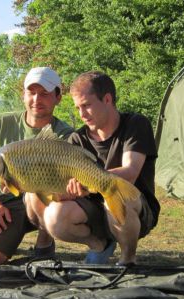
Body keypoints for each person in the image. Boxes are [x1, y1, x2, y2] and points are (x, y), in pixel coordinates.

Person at [25, 71, 159, 265]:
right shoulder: (77, 139)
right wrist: (63, 191)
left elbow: (130, 172)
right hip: (93, 207)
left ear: (107, 99)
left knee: (115, 193)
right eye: (78, 108)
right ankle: (98, 245)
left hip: (135, 207)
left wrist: (90, 182)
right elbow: (67, 187)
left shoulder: (135, 124)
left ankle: (128, 259)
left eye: (86, 105)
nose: (82, 114)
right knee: (54, 217)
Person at [0, 67, 74, 273]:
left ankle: (44, 244)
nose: (37, 99)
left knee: (36, 193)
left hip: (51, 202)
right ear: (23, 95)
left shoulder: (65, 134)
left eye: (44, 93)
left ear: (58, 97)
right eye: (31, 92)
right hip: (10, 204)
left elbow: (67, 182)